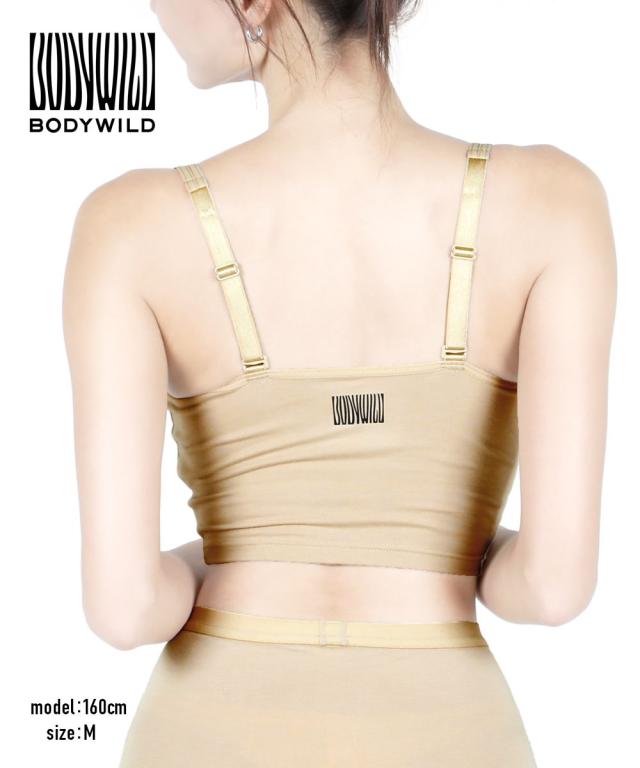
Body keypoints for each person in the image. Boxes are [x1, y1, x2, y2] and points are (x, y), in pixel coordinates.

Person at [62, 0, 616, 765]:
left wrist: (231, 557)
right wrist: (436, 544)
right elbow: (551, 590)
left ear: (254, 2)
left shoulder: (125, 225)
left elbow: (126, 611)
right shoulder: (556, 204)